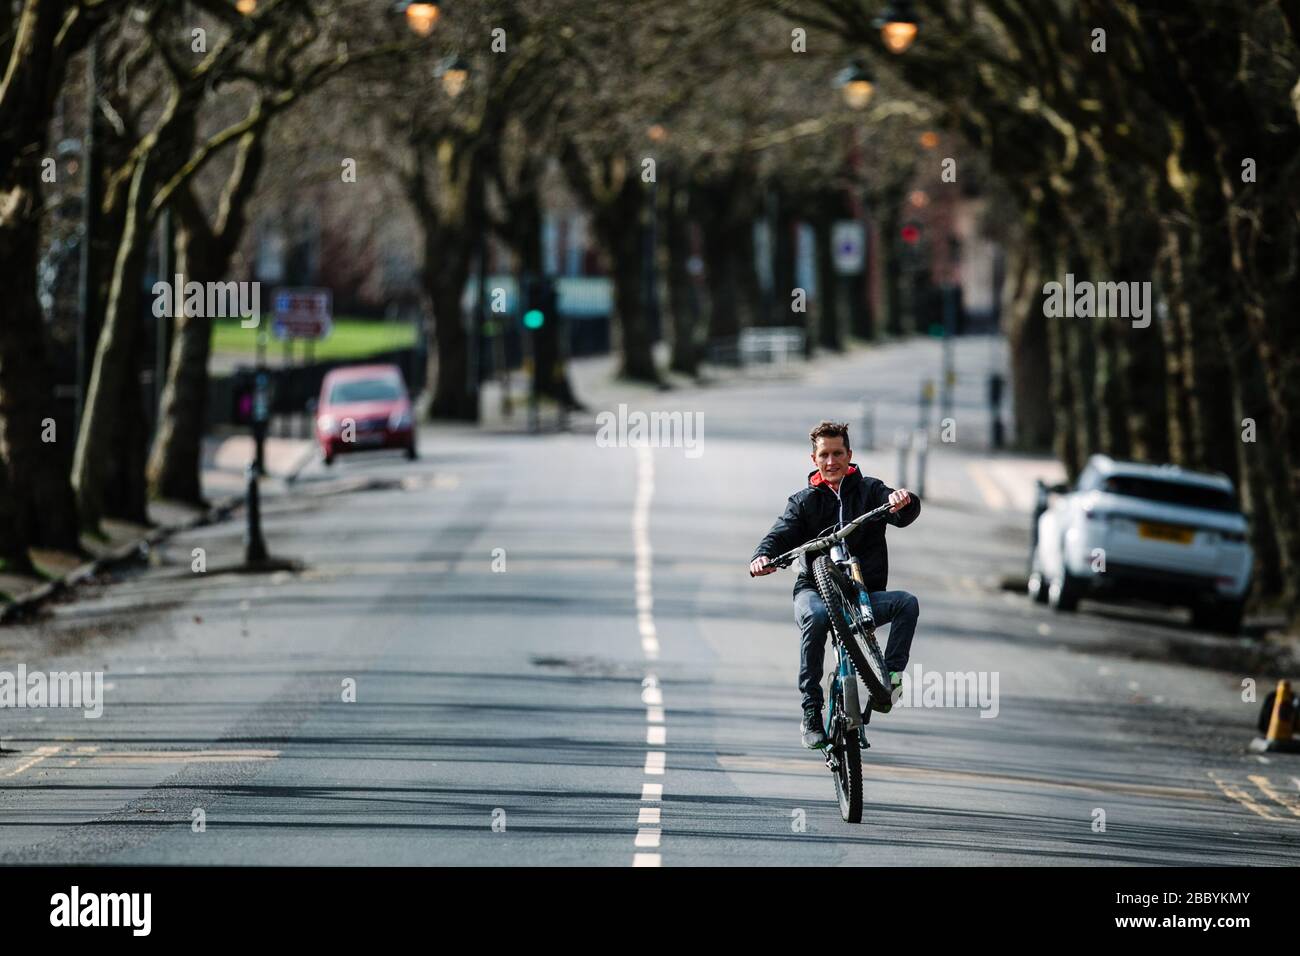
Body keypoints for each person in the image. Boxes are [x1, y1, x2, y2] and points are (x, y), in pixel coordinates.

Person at [749, 420, 921, 749]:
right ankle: (811, 712)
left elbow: (900, 511)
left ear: (849, 455)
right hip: (815, 590)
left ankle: (890, 681)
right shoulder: (803, 502)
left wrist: (904, 499)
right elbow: (779, 535)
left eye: (838, 453)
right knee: (815, 618)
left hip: (861, 594)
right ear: (814, 460)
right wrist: (762, 558)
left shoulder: (869, 490)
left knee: (906, 604)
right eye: (824, 455)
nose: (832, 462)